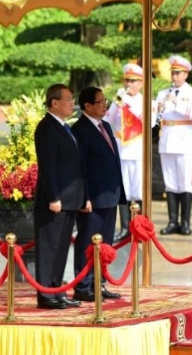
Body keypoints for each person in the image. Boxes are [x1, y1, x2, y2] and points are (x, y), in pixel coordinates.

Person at [33, 84, 85, 310]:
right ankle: (46, 294)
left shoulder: (64, 128)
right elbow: (48, 167)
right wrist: (53, 197)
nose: (72, 103)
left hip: (69, 200)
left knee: (61, 247)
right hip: (54, 201)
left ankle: (56, 290)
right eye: (68, 99)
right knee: (49, 247)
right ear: (54, 103)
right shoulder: (46, 128)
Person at [72, 86, 125, 302]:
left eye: (106, 101)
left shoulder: (105, 126)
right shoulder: (80, 130)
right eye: (100, 102)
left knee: (105, 243)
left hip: (110, 195)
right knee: (87, 242)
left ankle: (99, 283)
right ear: (87, 106)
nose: (105, 105)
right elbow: (79, 167)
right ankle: (83, 286)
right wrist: (83, 196)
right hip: (92, 198)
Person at [104, 63, 154, 241]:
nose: (129, 85)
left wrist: (130, 107)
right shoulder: (120, 99)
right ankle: (125, 228)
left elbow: (151, 122)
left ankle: (140, 227)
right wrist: (118, 104)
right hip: (122, 151)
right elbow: (108, 120)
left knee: (139, 191)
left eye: (133, 81)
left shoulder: (147, 101)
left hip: (139, 151)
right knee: (124, 191)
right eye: (127, 80)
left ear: (141, 83)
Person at [156, 55, 192, 236]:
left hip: (185, 142)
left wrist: (176, 104)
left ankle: (185, 222)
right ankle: (172, 221)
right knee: (170, 183)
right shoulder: (162, 94)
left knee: (185, 183)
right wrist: (158, 111)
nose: (174, 77)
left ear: (186, 74)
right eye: (173, 73)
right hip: (167, 141)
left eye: (178, 73)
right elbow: (156, 120)